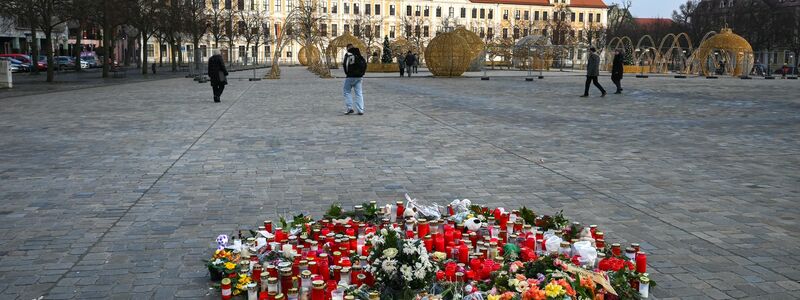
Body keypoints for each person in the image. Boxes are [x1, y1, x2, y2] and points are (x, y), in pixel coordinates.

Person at [342, 44, 366, 115]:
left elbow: (345, 65)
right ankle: (360, 110)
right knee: (359, 93)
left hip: (350, 76)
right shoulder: (359, 54)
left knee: (346, 91)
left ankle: (350, 108)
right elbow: (364, 64)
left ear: (348, 48)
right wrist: (362, 73)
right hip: (359, 77)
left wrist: (347, 73)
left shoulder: (348, 55)